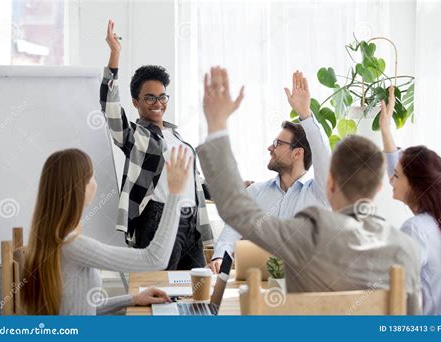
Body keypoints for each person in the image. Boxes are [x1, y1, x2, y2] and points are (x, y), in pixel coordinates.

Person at [197, 66, 422, 314]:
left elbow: (235, 209)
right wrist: (305, 114)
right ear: (380, 186)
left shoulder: (308, 236)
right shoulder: (406, 249)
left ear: (330, 183)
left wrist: (217, 126)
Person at [21, 146, 191, 315]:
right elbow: (155, 259)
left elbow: (84, 305)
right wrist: (175, 194)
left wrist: (133, 299)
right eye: (91, 177)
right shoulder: (73, 246)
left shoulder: (49, 240)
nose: (95, 183)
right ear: (79, 188)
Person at [100, 20, 212, 269]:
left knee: (195, 292)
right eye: (149, 97)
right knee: (160, 292)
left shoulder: (177, 137)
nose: (157, 102)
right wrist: (115, 54)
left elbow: (194, 184)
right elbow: (109, 106)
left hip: (190, 220)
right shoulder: (136, 136)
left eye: (162, 96)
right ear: (135, 102)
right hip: (158, 219)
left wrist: (233, 188)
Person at [209, 70, 331, 273]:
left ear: (297, 153)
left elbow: (323, 155)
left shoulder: (318, 193)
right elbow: (232, 228)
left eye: (278, 143)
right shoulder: (256, 192)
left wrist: (305, 115)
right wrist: (221, 255)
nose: (270, 148)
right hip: (259, 287)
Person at [379, 86, 441, 315]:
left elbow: (392, 289)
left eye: (396, 176)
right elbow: (403, 170)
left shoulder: (416, 229)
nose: (390, 179)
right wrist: (386, 131)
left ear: (417, 186)